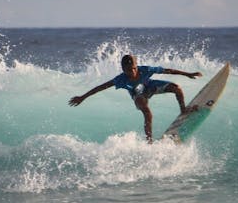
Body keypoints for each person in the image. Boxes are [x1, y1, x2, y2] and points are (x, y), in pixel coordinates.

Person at [69, 54, 202, 142]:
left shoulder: (145, 69)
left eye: (133, 68)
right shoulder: (120, 79)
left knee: (176, 88)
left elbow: (168, 70)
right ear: (123, 69)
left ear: (136, 65)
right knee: (146, 110)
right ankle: (149, 140)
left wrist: (188, 74)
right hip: (138, 95)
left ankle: (183, 109)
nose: (132, 72)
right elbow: (101, 87)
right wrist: (83, 97)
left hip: (150, 86)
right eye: (128, 70)